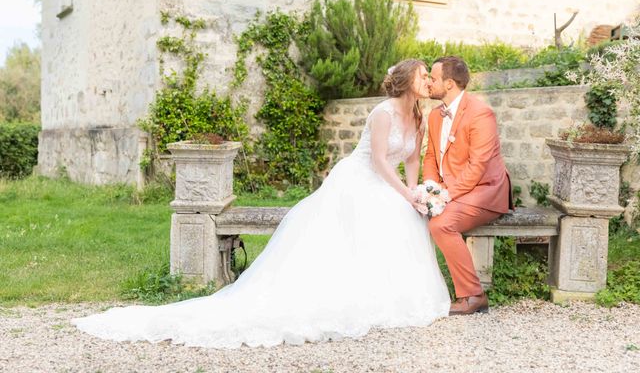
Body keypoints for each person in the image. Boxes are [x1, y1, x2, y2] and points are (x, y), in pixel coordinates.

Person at [73, 59, 451, 349]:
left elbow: (412, 161)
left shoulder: (418, 115)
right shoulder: (382, 113)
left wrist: (416, 194)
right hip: (360, 178)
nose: (428, 82)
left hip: (392, 185)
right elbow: (382, 161)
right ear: (405, 82)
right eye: (422, 76)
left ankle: (388, 295)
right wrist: (404, 192)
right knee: (361, 228)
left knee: (403, 220)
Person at [422, 56, 513, 316]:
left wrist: (446, 196)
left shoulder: (481, 113)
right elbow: (430, 156)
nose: (429, 81)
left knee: (441, 224)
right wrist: (430, 189)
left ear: (449, 83)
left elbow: (478, 166)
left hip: (486, 190)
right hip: (454, 191)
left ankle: (473, 295)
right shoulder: (435, 115)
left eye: (433, 77)